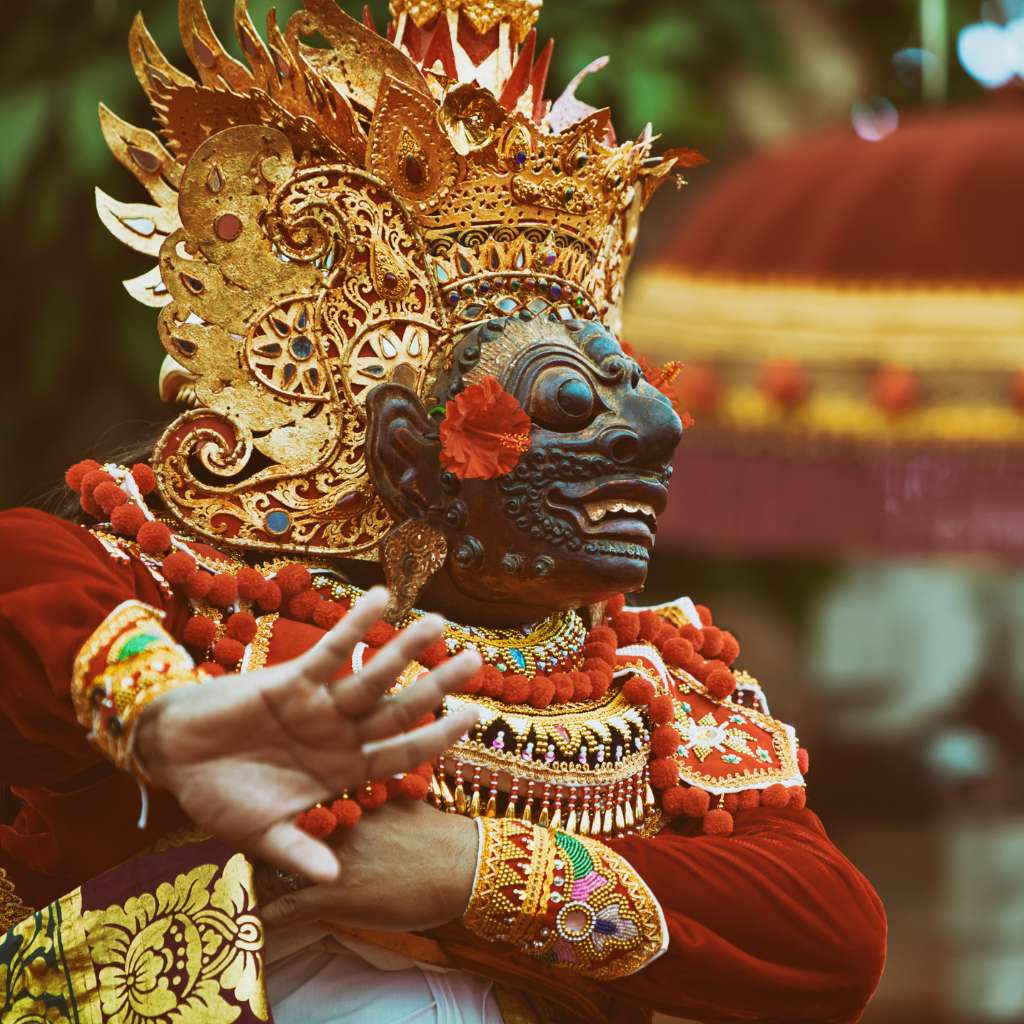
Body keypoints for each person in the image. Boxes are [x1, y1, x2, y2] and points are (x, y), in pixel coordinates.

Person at [0, 1, 886, 1022]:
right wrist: (154, 712)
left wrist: (468, 870)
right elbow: (26, 568)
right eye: (567, 398)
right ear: (408, 456)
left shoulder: (655, 692)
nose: (654, 433)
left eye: (640, 388)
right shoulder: (211, 615)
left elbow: (831, 936)